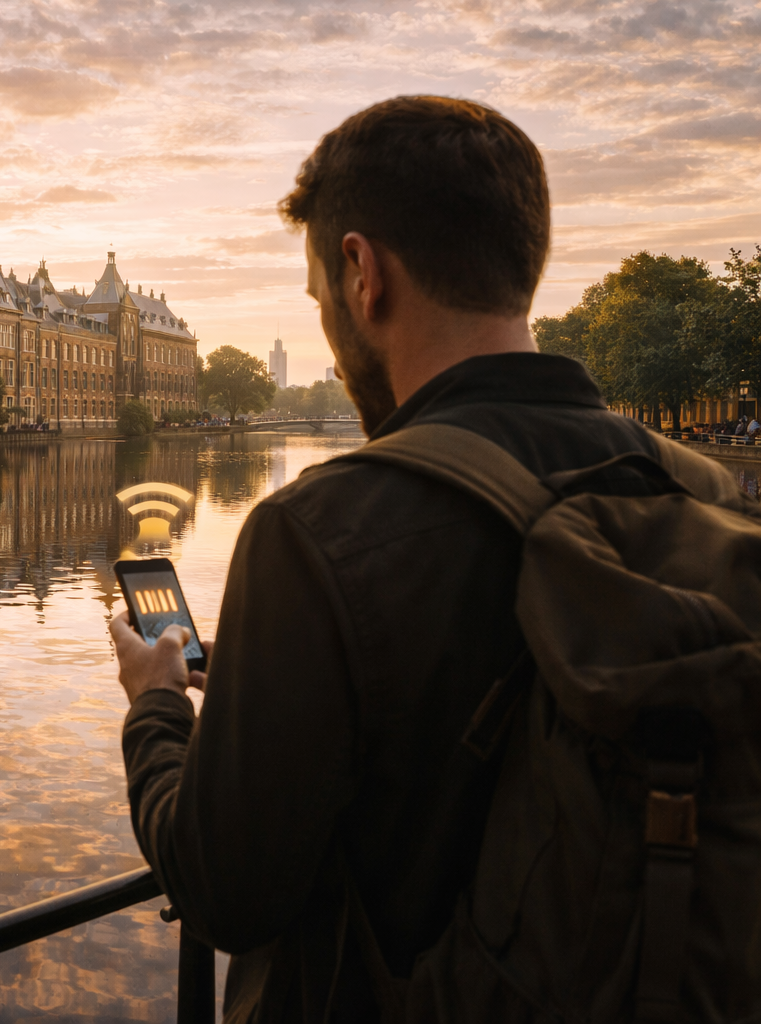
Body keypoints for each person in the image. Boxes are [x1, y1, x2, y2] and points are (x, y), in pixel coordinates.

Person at [110, 96, 690, 1021]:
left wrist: (154, 707)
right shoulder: (692, 489)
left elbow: (223, 892)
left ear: (361, 274)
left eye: (318, 299)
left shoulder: (316, 532)